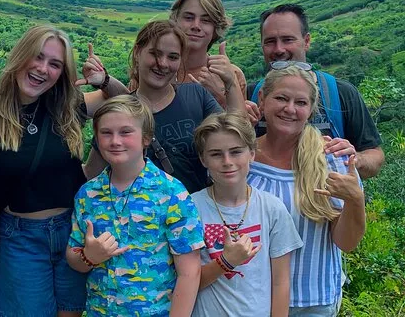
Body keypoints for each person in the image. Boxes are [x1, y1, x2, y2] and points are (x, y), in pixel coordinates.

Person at [0, 25, 128, 317]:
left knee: (71, 312)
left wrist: (105, 81)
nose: (42, 69)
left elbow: (127, 103)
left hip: (73, 230)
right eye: (37, 56)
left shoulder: (66, 107)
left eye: (55, 64)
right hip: (21, 238)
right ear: (20, 55)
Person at [67, 95, 204, 316]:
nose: (115, 141)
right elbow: (73, 257)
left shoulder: (172, 193)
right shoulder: (87, 194)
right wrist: (89, 256)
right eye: (106, 133)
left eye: (125, 132)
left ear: (146, 138)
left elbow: (190, 273)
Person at [247, 64, 366, 316]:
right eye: (281, 98)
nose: (290, 109)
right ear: (262, 99)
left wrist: (355, 200)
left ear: (311, 109)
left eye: (300, 102)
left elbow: (346, 242)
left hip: (313, 302)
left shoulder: (331, 159)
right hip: (251, 299)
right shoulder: (242, 159)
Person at [85, 20, 245, 193]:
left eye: (173, 57)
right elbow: (93, 174)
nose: (163, 63)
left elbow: (238, 136)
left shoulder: (196, 96)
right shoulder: (120, 111)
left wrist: (230, 82)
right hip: (140, 210)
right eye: (155, 53)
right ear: (137, 52)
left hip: (196, 207)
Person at [246, 3, 384, 179]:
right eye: (270, 41)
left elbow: (375, 156)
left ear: (306, 41)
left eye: (288, 40)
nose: (279, 49)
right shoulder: (250, 95)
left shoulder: (341, 93)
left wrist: (355, 160)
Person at [191, 112, 303, 316]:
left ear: (251, 153)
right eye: (216, 154)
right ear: (203, 159)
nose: (227, 161)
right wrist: (225, 262)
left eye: (236, 152)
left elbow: (281, 282)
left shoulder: (272, 208)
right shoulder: (190, 208)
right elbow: (186, 282)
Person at [169, 0, 247, 107]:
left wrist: (220, 98)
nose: (196, 26)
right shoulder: (157, 69)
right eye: (189, 18)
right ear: (175, 21)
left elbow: (241, 118)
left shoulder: (231, 75)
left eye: (206, 20)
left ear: (216, 29)